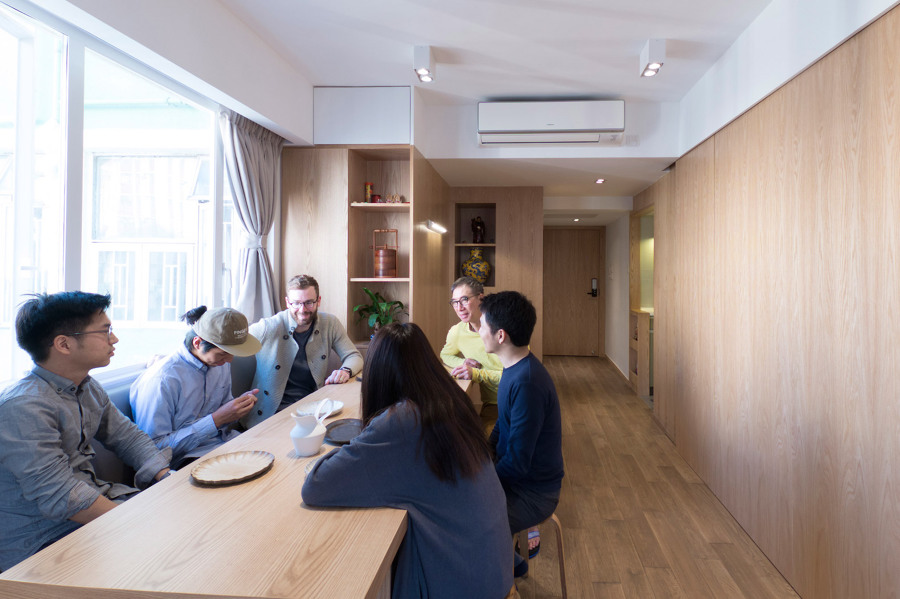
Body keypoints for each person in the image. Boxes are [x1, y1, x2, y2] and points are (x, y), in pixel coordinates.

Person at [302, 322, 514, 599]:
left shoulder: (403, 421)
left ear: (377, 373)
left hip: (462, 582)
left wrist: (359, 447)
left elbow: (316, 486)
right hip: (491, 567)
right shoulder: (451, 400)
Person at [0, 292, 172, 571]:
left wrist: (166, 476)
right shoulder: (23, 406)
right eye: (105, 331)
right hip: (43, 539)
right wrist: (134, 522)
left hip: (96, 508)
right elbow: (60, 495)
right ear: (64, 344)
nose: (114, 340)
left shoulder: (86, 386)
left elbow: (126, 437)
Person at [478, 291, 564, 578]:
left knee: (469, 519)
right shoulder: (514, 367)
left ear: (500, 335)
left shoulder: (527, 383)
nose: (479, 332)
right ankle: (513, 564)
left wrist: (480, 481)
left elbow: (517, 463)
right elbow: (503, 424)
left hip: (535, 493)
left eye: (482, 326)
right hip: (520, 481)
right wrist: (483, 454)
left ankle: (505, 572)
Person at [129, 306, 262, 468]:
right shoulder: (161, 381)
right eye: (223, 353)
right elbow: (152, 451)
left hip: (225, 443)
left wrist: (236, 410)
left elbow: (223, 419)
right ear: (197, 343)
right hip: (186, 461)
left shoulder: (219, 363)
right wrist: (216, 419)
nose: (230, 360)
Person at [242, 274, 363, 428]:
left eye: (309, 303)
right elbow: (237, 340)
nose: (302, 309)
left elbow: (353, 355)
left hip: (314, 407)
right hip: (272, 414)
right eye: (296, 303)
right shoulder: (269, 326)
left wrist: (345, 370)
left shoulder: (329, 323)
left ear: (318, 301)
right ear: (287, 302)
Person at [440, 276, 503, 432]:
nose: (459, 307)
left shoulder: (503, 327)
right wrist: (463, 363)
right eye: (454, 302)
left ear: (481, 298)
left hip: (518, 399)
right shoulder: (458, 331)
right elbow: (445, 355)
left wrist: (475, 373)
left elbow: (517, 376)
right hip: (493, 404)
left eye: (464, 300)